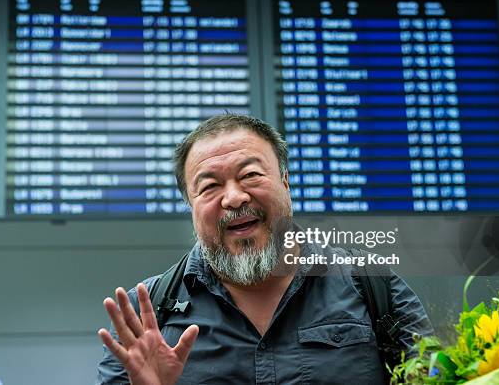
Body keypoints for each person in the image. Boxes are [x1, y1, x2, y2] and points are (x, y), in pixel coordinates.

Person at [96, 114, 433, 384]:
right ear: (190, 206)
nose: (234, 198)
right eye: (210, 186)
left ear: (285, 181)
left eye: (251, 175)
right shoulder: (147, 318)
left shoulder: (373, 283)